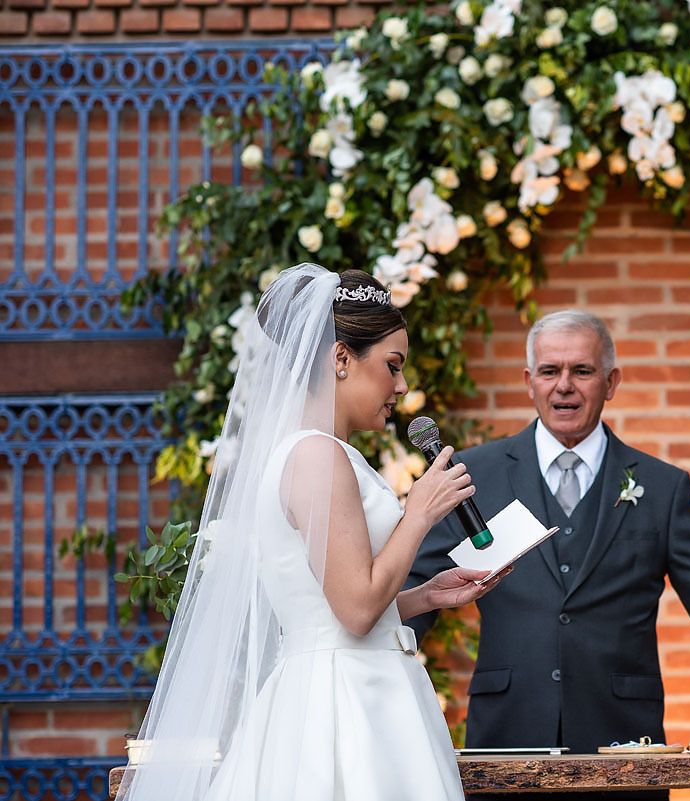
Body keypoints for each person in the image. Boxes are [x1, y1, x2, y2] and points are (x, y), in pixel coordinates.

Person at [120, 264, 508, 801]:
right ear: (342, 359)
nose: (401, 386)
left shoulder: (318, 452)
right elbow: (354, 610)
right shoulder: (317, 456)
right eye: (393, 366)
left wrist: (420, 597)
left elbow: (326, 601)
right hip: (343, 702)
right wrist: (418, 511)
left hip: (349, 681)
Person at [406, 309, 690, 799]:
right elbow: (417, 589)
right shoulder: (473, 474)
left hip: (623, 743)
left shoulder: (662, 486)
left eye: (582, 371)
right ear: (529, 382)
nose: (564, 386)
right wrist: (371, 660)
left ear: (611, 382)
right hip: (508, 740)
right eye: (550, 372)